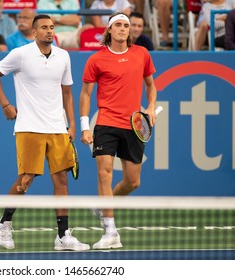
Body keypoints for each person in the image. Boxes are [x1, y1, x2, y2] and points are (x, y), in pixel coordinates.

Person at [0, 14, 90, 251]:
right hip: (28, 127)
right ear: (34, 32)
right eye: (44, 27)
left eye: (52, 27)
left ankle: (63, 235)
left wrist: (72, 124)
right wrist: (5, 105)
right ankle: (4, 223)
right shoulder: (20, 54)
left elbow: (67, 94)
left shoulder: (63, 56)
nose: (49, 31)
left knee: (62, 180)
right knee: (25, 181)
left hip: (57, 127)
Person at [79, 13, 157, 249]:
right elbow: (85, 94)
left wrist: (151, 107)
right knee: (104, 173)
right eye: (119, 25)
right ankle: (110, 230)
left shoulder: (142, 54)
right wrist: (84, 126)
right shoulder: (96, 59)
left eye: (126, 25)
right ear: (110, 30)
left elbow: (151, 86)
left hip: (133, 125)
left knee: (133, 182)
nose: (124, 29)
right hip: (106, 123)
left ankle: (102, 204)